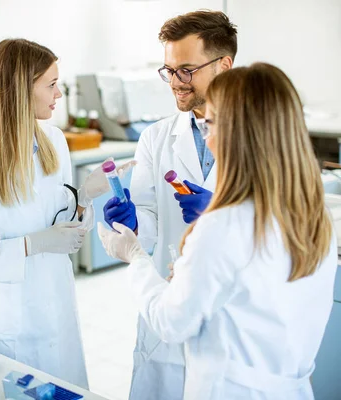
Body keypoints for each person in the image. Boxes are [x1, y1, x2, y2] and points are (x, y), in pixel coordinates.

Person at [98, 62, 338, 400]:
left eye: (210, 125)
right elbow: (256, 300)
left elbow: (171, 322)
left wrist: (135, 257)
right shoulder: (315, 216)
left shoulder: (225, 224)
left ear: (241, 132)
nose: (207, 139)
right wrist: (192, 275)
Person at [0, 38, 133, 387]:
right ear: (19, 90)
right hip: (6, 323)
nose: (58, 95)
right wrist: (32, 244)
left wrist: (84, 197)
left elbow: (63, 227)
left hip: (55, 309)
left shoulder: (52, 140)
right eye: (52, 85)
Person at [102, 10, 237, 399]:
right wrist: (133, 222)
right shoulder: (157, 137)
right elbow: (149, 215)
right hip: (166, 301)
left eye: (187, 70)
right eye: (169, 70)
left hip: (228, 317)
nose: (176, 82)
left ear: (224, 65)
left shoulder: (258, 137)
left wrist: (220, 217)